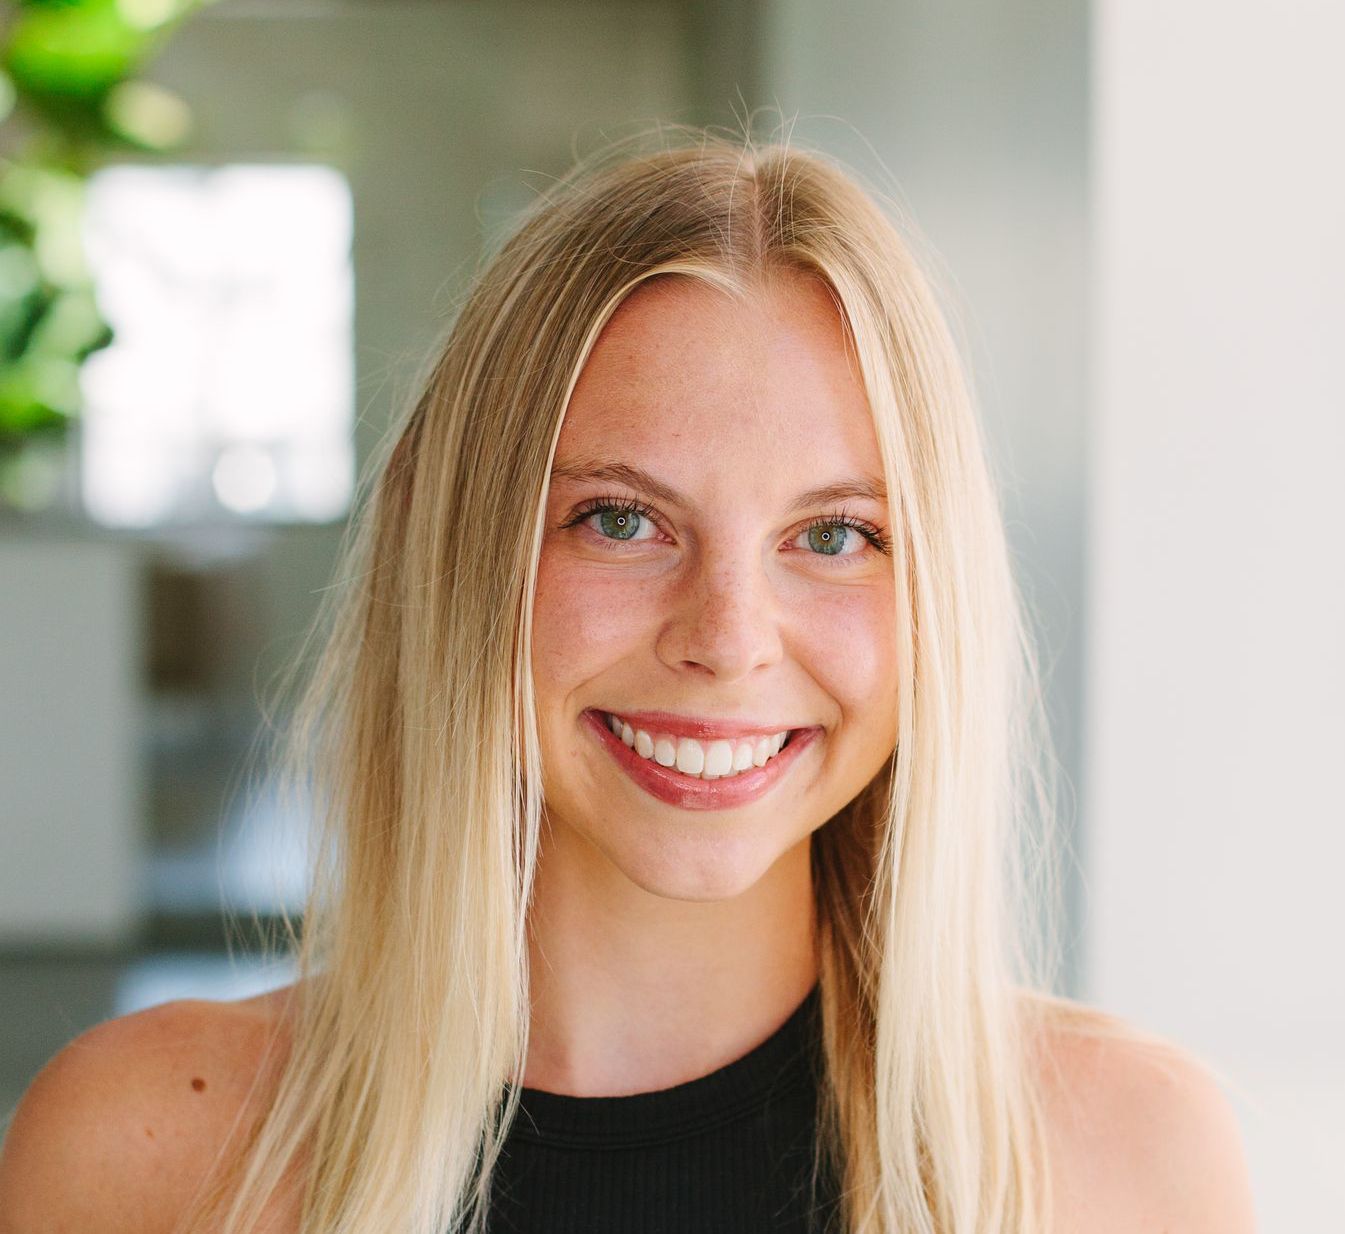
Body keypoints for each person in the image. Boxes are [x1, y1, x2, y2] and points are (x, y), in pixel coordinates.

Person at [0, 127, 1256, 1234]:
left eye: (833, 537)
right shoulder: (140, 1150)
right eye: (619, 520)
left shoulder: (1129, 1156)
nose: (729, 636)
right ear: (456, 551)